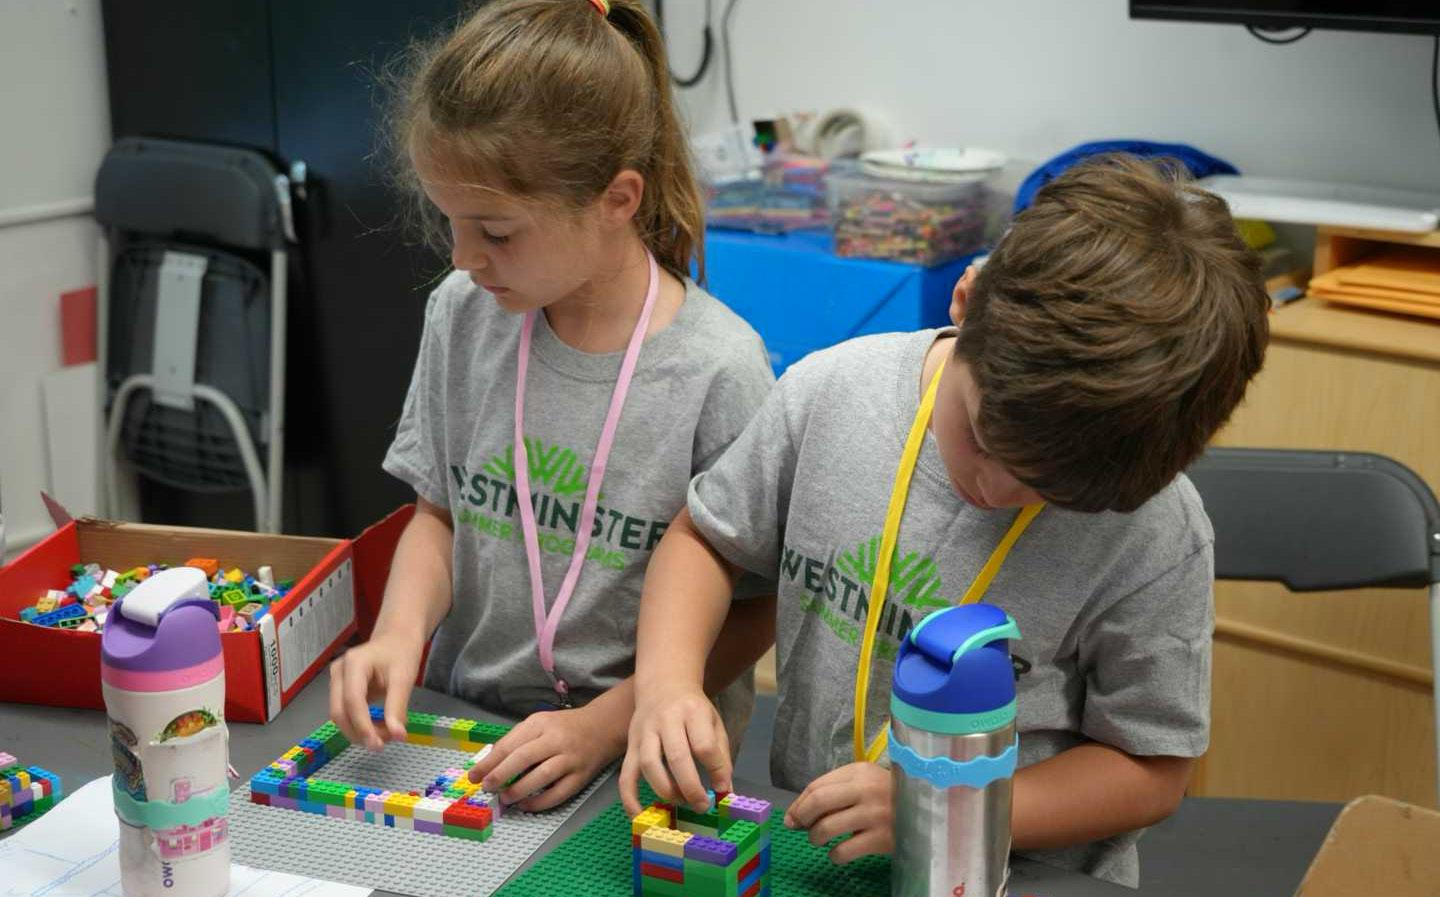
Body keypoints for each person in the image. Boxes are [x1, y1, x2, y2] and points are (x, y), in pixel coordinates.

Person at [620, 155, 1270, 886]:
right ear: (967, 298)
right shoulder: (832, 393)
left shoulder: (1156, 533)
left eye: (1048, 492)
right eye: (983, 440)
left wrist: (945, 810)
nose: (995, 490)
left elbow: (1150, 769)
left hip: (1019, 872)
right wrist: (668, 684)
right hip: (822, 859)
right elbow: (704, 538)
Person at [329, 0, 776, 814]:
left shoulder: (720, 368)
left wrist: (605, 725)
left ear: (617, 199)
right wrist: (396, 633)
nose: (464, 257)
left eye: (497, 232)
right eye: (451, 223)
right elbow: (439, 513)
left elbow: (754, 611)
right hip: (469, 730)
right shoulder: (463, 313)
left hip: (641, 760)